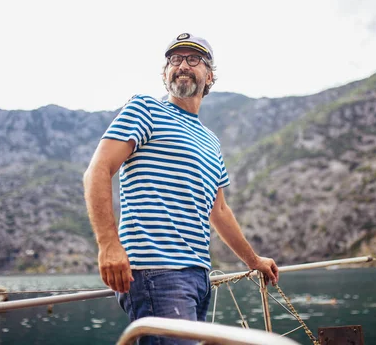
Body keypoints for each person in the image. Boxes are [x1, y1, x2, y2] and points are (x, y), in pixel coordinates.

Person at [84, 33, 279, 344]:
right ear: (165, 74)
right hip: (156, 271)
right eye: (175, 60)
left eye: (194, 59)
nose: (183, 65)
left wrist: (253, 261)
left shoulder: (211, 141)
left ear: (209, 75)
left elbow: (220, 211)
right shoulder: (145, 108)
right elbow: (98, 170)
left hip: (198, 275)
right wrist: (108, 244)